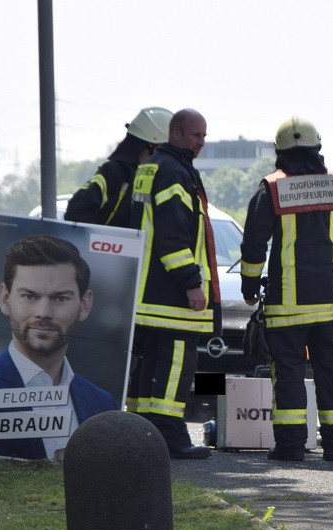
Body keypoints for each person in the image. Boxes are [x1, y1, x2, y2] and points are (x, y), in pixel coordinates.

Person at [240, 116, 333, 462]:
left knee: (290, 375)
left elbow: (254, 245)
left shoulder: (271, 188)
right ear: (318, 148)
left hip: (287, 307)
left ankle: (292, 446)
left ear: (279, 151)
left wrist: (250, 286)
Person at [0, 234, 116, 460]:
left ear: (85, 304)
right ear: (5, 299)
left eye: (60, 298)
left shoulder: (102, 402)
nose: (44, 313)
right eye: (29, 296)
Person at [130, 108, 219, 460]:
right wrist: (191, 283)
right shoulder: (174, 172)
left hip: (147, 292)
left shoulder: (151, 167)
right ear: (177, 133)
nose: (201, 143)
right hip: (170, 297)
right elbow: (173, 235)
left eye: (204, 136)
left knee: (150, 363)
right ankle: (171, 436)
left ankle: (139, 431)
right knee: (175, 365)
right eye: (197, 135)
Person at [65, 107, 173, 227]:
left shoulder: (159, 180)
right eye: (162, 149)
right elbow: (77, 211)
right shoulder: (114, 172)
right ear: (151, 145)